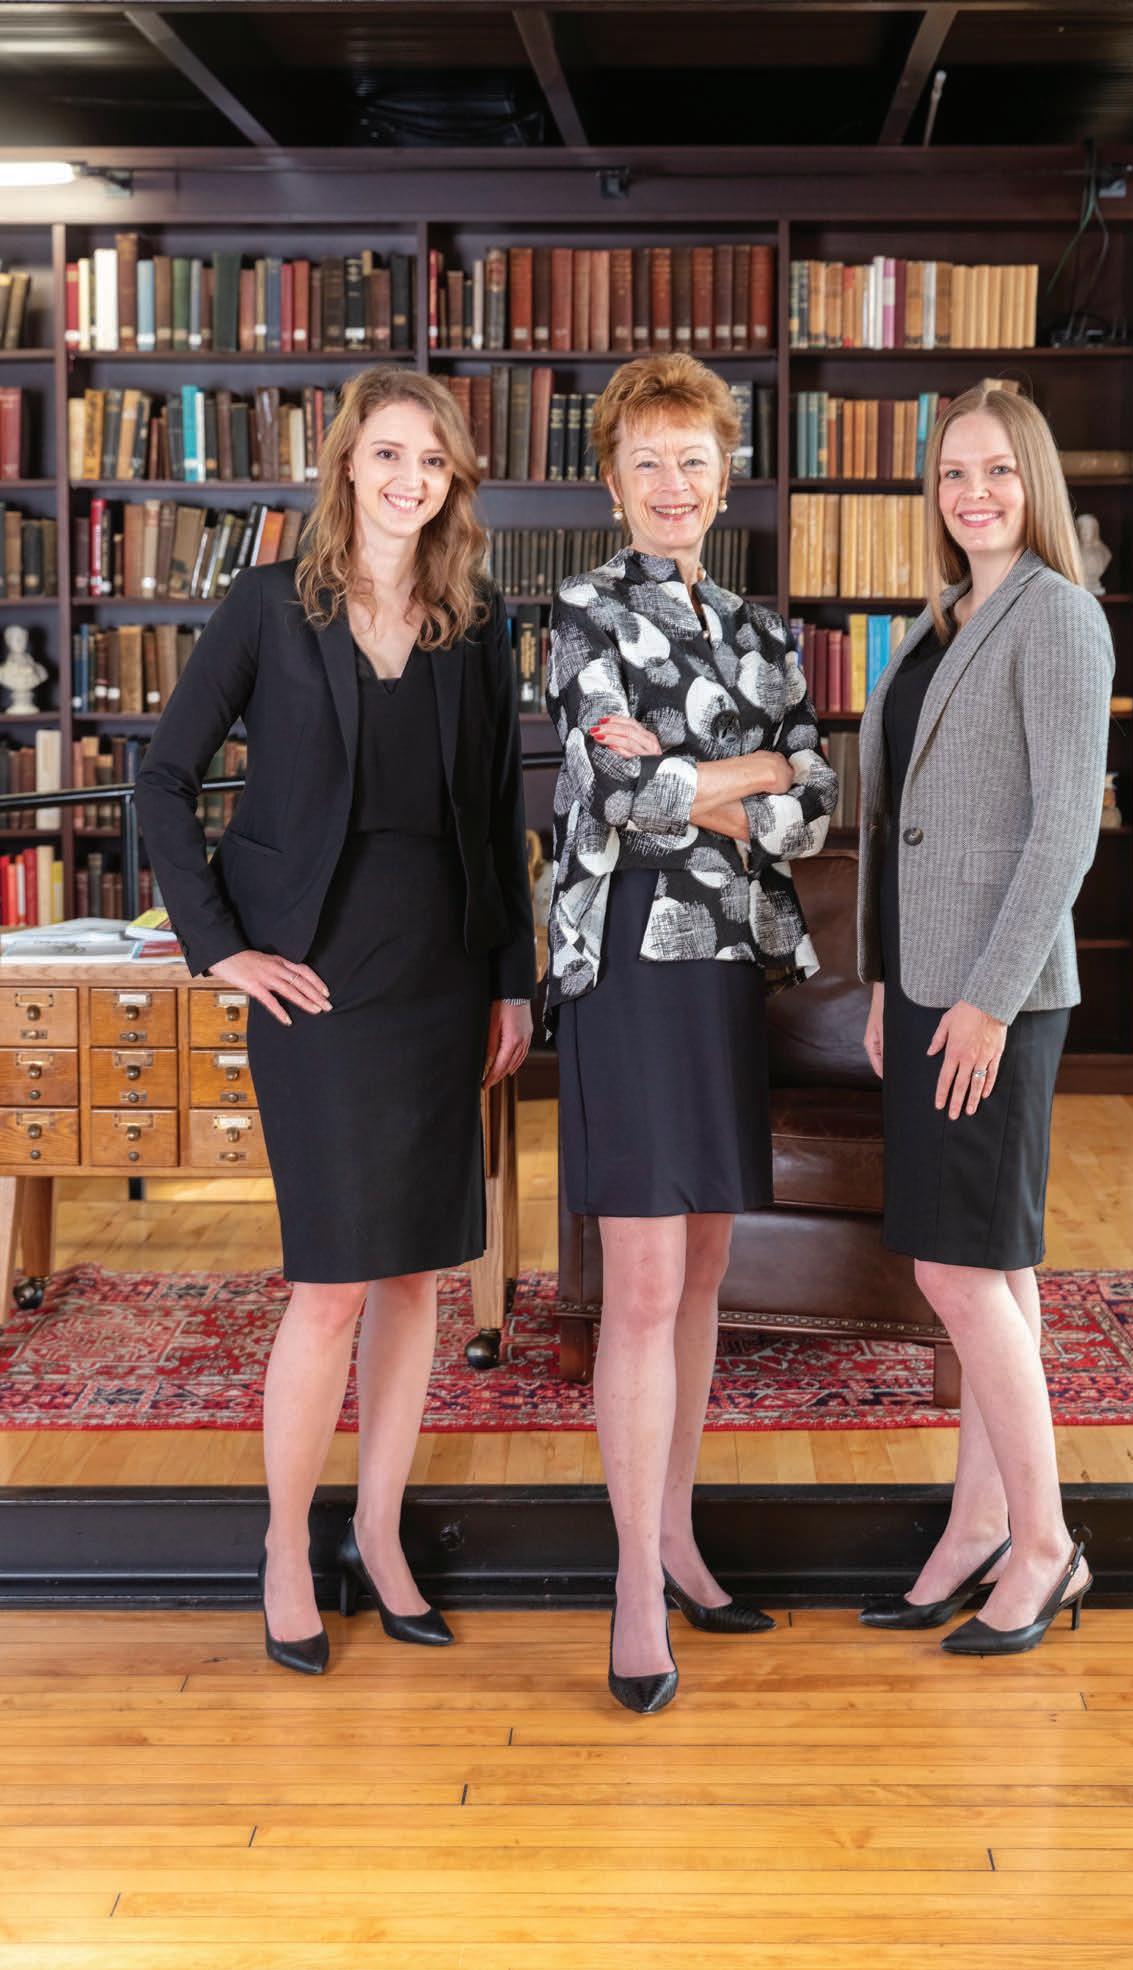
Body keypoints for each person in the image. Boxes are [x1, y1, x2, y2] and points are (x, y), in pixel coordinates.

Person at [136, 366, 535, 1674]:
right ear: (347, 465)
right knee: (328, 1283)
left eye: (431, 459)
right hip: (312, 982)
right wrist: (220, 948)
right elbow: (163, 777)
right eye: (387, 454)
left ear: (451, 480)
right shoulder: (269, 603)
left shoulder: (476, 621)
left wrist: (511, 979)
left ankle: (379, 1529)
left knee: (417, 1273)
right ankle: (283, 1545)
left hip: (439, 976)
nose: (408, 478)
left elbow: (498, 814)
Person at [546, 352, 838, 1711]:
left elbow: (814, 805)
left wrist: (696, 781)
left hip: (730, 969)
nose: (673, 482)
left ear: (726, 479)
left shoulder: (766, 633)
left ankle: (675, 1534)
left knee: (706, 1267)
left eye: (694, 460)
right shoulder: (580, 610)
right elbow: (614, 794)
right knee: (646, 1280)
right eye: (648, 461)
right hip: (628, 969)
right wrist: (749, 770)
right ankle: (629, 1582)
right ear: (613, 482)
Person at [855, 382, 1112, 1656]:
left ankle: (1046, 1543)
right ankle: (974, 1525)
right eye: (953, 472)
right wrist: (882, 985)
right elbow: (902, 822)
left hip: (990, 999)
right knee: (993, 1266)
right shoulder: (942, 617)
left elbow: (1063, 829)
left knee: (955, 1270)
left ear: (1034, 483)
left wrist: (983, 1001)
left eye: (998, 470)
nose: (973, 493)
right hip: (922, 987)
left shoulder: (1056, 616)